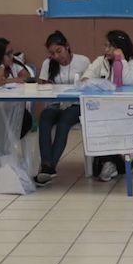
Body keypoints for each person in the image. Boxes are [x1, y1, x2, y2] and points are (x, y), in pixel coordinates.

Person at [83, 29, 133, 182]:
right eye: (105, 46)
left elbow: (127, 81)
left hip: (124, 110)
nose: (106, 50)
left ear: (120, 48)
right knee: (99, 121)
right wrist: (97, 83)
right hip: (103, 109)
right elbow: (86, 78)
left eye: (110, 47)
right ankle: (109, 161)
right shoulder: (101, 61)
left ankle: (112, 161)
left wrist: (121, 60)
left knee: (112, 121)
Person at [34, 30, 89, 186]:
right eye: (52, 53)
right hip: (56, 104)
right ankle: (46, 164)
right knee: (44, 118)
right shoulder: (48, 64)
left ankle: (50, 167)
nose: (57, 56)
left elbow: (90, 85)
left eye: (59, 51)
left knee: (64, 123)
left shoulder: (83, 61)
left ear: (67, 47)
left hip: (76, 105)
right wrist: (47, 86)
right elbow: (42, 86)